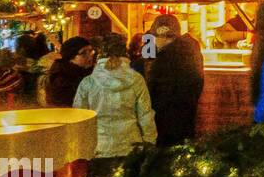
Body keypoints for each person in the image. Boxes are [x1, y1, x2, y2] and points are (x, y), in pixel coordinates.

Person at [74, 35, 157, 158]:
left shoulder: (88, 83)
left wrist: (80, 147)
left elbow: (79, 118)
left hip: (99, 147)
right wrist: (150, 141)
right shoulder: (137, 80)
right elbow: (145, 114)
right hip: (131, 146)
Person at [147, 14, 206, 146]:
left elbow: (154, 90)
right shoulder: (189, 48)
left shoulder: (166, 58)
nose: (152, 40)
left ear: (161, 36)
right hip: (186, 114)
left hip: (166, 120)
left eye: (154, 37)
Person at [41, 37, 95, 108]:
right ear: (70, 58)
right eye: (83, 53)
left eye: (91, 51)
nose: (90, 56)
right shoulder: (60, 80)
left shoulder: (87, 70)